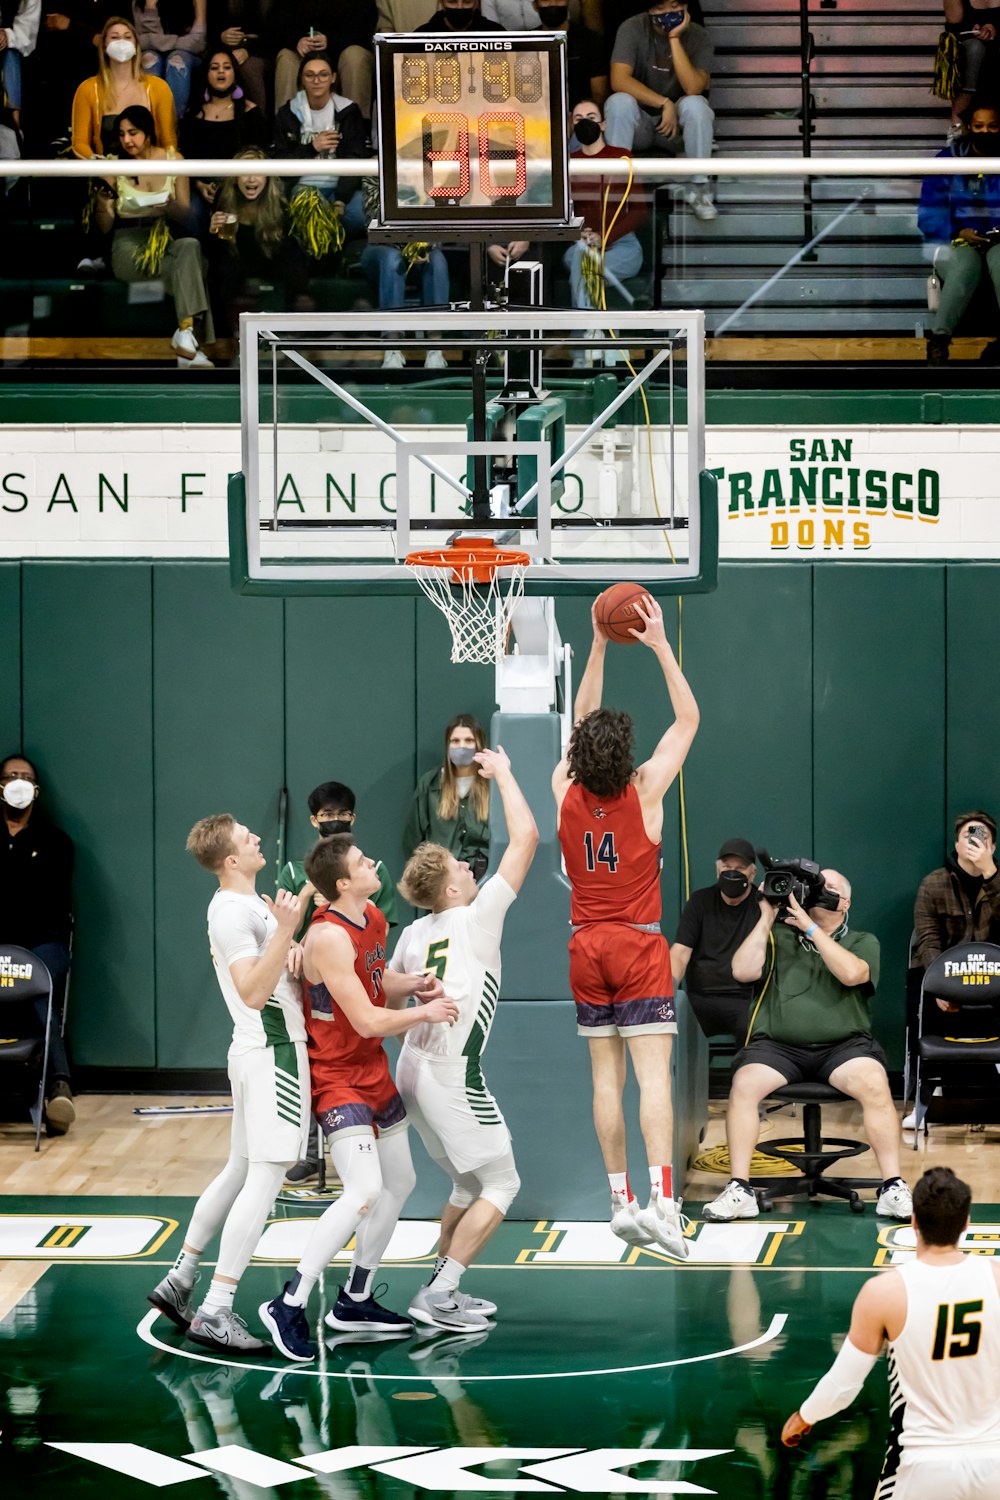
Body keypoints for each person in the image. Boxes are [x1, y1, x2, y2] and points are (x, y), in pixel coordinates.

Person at [259, 834, 458, 1362]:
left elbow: (373, 980)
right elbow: (367, 1018)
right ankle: (290, 1301)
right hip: (337, 1076)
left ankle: (355, 1298)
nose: (374, 863)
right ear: (342, 883)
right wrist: (424, 1012)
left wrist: (413, 983)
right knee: (364, 1189)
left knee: (401, 1182)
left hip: (371, 1068)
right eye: (362, 862)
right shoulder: (326, 936)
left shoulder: (369, 915)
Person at [552, 595, 699, 1258]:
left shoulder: (564, 786)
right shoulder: (646, 791)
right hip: (637, 944)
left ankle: (619, 1201)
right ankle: (664, 1205)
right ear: (627, 755)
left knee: (603, 1081)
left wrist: (600, 644)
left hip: (585, 945)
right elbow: (688, 718)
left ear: (578, 753)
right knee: (653, 1080)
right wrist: (660, 644)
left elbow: (579, 720)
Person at [147, 813, 310, 1354]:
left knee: (240, 1168)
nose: (258, 837)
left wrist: (290, 927)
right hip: (272, 1055)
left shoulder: (247, 905)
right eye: (247, 837)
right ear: (231, 860)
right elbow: (251, 992)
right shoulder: (233, 912)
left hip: (254, 1053)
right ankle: (217, 1308)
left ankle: (181, 1278)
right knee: (267, 1176)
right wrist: (286, 929)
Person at [391, 745, 538, 1330]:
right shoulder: (477, 918)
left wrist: (420, 989)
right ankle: (440, 1292)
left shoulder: (413, 932)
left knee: (461, 1180)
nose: (469, 869)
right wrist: (503, 773)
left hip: (411, 1068)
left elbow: (383, 996)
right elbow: (525, 840)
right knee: (503, 1182)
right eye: (459, 868)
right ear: (450, 891)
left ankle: (440, 1285)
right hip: (452, 1074)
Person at [702, 867, 914, 1224]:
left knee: (875, 1084)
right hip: (779, 1048)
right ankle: (740, 1188)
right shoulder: (778, 937)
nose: (818, 890)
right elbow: (741, 971)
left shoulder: (863, 940)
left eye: (828, 887)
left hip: (844, 1048)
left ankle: (892, 1186)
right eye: (815, 884)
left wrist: (811, 929)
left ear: (844, 902)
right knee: (744, 1084)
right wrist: (767, 917)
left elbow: (852, 974)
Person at [781, 1166, 1000, 1498]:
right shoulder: (996, 1278)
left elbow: (844, 1384)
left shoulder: (885, 1292)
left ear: (913, 1222)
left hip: (924, 1466)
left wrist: (804, 1415)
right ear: (967, 1222)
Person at [278, 776, 398, 1185]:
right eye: (327, 816)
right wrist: (298, 935)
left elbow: (374, 942)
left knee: (393, 1180)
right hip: (314, 985)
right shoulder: (297, 874)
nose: (335, 821)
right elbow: (286, 924)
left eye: (342, 815)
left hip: (358, 980)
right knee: (320, 1053)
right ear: (314, 820)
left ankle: (354, 1146)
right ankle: (311, 1151)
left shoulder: (372, 883)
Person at [94, 104, 215, 367]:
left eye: (133, 133)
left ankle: (185, 338)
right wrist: (103, 204)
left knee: (190, 246)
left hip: (162, 237)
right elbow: (104, 227)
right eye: (123, 134)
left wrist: (170, 207)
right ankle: (190, 344)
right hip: (128, 244)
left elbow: (184, 214)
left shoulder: (174, 160)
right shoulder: (113, 166)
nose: (127, 140)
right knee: (197, 269)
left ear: (148, 133)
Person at [0, 753, 75, 1134]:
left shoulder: (55, 841)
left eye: (25, 777)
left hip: (42, 945)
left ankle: (58, 1089)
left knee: (36, 982)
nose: (17, 782)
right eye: (11, 775)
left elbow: (46, 900)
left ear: (36, 789)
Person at [604, 0, 717, 222]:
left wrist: (674, 38)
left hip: (677, 131)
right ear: (649, 10)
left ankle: (699, 190)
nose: (668, 13)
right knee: (619, 101)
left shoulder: (699, 35)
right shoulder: (632, 27)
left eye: (674, 6)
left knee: (696, 105)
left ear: (685, 6)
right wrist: (664, 103)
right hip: (641, 125)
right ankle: (618, 190)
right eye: (660, 8)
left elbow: (694, 88)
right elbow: (618, 80)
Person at [565, 98, 648, 360]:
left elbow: (639, 210)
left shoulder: (621, 158)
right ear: (572, 125)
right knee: (582, 256)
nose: (586, 122)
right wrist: (579, 233)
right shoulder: (568, 162)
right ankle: (593, 333)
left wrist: (604, 237)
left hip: (622, 246)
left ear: (603, 124)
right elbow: (562, 212)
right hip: (580, 245)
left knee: (584, 266)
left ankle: (585, 350)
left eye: (591, 116)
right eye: (578, 118)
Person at [918, 103, 1000, 366]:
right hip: (953, 241)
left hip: (997, 242)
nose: (985, 131)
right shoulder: (946, 161)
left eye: (993, 126)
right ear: (968, 127)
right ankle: (939, 342)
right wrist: (958, 231)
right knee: (965, 265)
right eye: (979, 126)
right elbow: (929, 214)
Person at [273, 51, 368, 260]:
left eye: (323, 75)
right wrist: (311, 148)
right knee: (312, 209)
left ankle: (331, 256)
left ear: (333, 78)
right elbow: (279, 164)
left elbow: (355, 159)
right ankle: (325, 264)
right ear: (301, 79)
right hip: (303, 188)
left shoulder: (348, 112)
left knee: (366, 212)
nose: (317, 81)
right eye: (310, 75)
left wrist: (341, 200)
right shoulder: (287, 113)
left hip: (342, 190)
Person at [206, 151, 312, 338]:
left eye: (257, 173)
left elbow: (286, 246)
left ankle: (292, 329)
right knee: (221, 267)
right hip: (237, 258)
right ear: (235, 178)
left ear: (267, 177)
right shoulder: (224, 196)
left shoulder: (279, 198)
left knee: (292, 255)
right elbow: (216, 250)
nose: (251, 179)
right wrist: (213, 230)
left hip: (270, 256)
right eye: (245, 173)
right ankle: (225, 337)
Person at [670, 837, 761, 1040]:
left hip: (746, 997)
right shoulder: (699, 901)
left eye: (740, 868)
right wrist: (668, 991)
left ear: (752, 873)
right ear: (717, 869)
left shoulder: (762, 905)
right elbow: (680, 952)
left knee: (754, 1030)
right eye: (727, 866)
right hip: (700, 997)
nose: (732, 872)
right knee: (670, 1026)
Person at [179, 44, 267, 229]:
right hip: (201, 186)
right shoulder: (193, 115)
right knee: (191, 212)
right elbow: (185, 158)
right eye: (214, 67)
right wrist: (199, 185)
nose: (221, 72)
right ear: (206, 74)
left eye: (227, 67)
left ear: (234, 73)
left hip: (239, 185)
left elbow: (259, 155)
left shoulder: (250, 112)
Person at [71, 14, 177, 159]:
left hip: (150, 174)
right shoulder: (87, 89)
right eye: (114, 37)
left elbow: (169, 141)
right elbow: (79, 143)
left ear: (136, 46)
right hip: (105, 174)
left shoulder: (159, 87)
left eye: (127, 37)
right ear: (103, 46)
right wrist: (98, 166)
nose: (121, 42)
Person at [913, 810, 1000, 975]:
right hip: (946, 967)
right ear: (957, 845)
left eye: (983, 837)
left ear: (993, 848)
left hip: (993, 969)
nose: (975, 841)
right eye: (968, 836)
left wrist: (990, 873)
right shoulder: (933, 884)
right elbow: (928, 940)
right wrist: (939, 980)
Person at [404, 714, 491, 878]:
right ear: (447, 745)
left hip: (484, 878)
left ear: (479, 744)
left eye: (469, 740)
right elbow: (413, 839)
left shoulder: (492, 785)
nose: (462, 747)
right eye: (455, 741)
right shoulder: (431, 783)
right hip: (441, 880)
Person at [268, 0, 376, 117]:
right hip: (301, 51)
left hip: (343, 50)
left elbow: (364, 28)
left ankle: (355, 127)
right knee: (286, 58)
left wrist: (330, 40)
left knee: (355, 56)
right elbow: (274, 26)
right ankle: (286, 128)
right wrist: (297, 41)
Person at [134, 0, 207, 120]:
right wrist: (150, 7)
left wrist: (159, 41)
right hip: (156, 53)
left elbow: (198, 42)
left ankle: (172, 127)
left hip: (191, 56)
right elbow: (140, 42)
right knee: (150, 61)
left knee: (176, 61)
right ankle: (149, 127)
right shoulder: (140, 3)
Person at [944, 0, 1000, 138]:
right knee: (973, 49)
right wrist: (973, 29)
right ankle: (957, 128)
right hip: (973, 55)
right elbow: (953, 32)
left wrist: (996, 28)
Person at [0, 0, 41, 134]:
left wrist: (7, 35)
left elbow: (27, 33)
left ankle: (13, 129)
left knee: (11, 54)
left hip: (7, 53)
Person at [414, 0, 504, 33]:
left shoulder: (495, 32)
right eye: (452, 2)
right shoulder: (421, 35)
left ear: (476, 3)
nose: (460, 7)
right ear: (442, 2)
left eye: (467, 2)